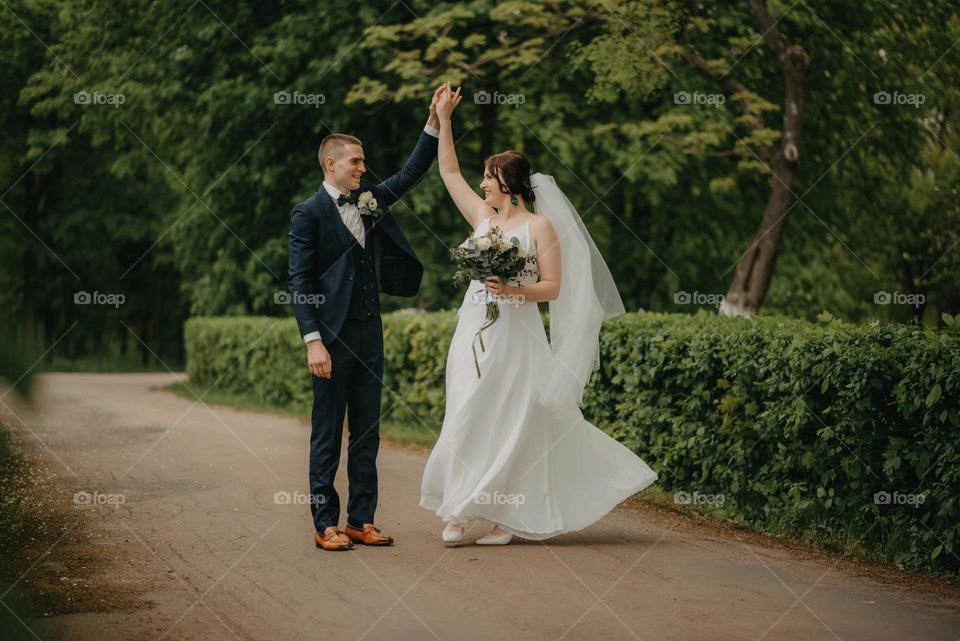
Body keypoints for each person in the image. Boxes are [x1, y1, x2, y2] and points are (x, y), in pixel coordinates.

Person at [420, 83, 658, 545]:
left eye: (488, 177)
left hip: (518, 333)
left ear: (506, 183)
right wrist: (443, 119)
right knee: (467, 410)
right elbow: (447, 171)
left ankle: (498, 517)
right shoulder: (481, 221)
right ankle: (460, 509)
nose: (481, 183)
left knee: (511, 421)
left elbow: (552, 287)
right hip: (474, 329)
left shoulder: (538, 226)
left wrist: (511, 289)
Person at [288, 85, 445, 551]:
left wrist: (435, 122)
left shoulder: (369, 199)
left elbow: (412, 172)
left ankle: (361, 519)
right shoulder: (309, 213)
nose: (363, 167)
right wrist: (313, 340)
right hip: (331, 339)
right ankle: (325, 524)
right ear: (331, 163)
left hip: (369, 332)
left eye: (363, 161)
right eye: (355, 161)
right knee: (326, 434)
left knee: (367, 432)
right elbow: (299, 281)